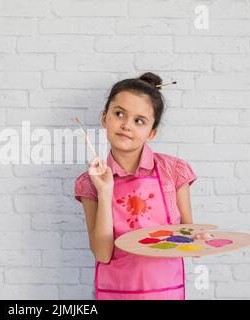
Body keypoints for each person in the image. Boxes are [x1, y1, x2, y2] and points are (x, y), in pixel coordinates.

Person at [74, 72, 197, 300]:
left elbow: (190, 238)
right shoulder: (88, 183)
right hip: (115, 293)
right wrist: (105, 189)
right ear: (104, 118)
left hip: (165, 292)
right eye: (119, 114)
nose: (126, 126)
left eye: (139, 120)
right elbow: (102, 253)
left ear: (151, 132)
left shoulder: (173, 171)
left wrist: (200, 241)